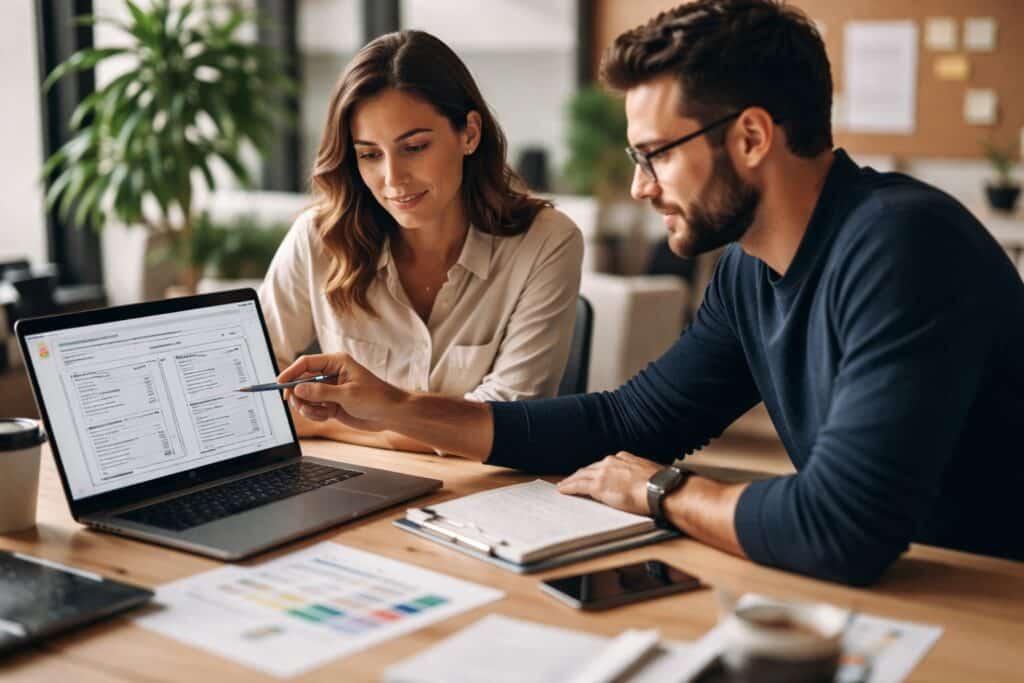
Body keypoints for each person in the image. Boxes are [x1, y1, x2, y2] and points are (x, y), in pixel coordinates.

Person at [276, 0, 1024, 586]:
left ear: (752, 137)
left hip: (988, 594)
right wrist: (399, 407)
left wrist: (663, 490)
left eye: (655, 155)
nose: (640, 186)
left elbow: (839, 526)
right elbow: (627, 420)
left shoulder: (902, 245)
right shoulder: (750, 271)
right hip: (912, 587)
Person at [259, 30, 583, 453]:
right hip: (356, 478)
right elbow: (256, 379)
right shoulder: (320, 238)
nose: (393, 179)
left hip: (484, 488)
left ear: (469, 133)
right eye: (369, 154)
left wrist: (329, 423)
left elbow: (507, 423)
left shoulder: (547, 242)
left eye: (414, 147)